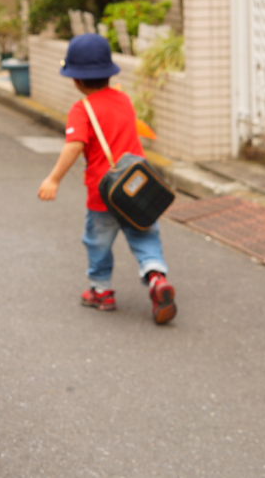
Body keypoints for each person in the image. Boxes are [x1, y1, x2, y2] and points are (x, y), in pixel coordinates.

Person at [37, 33, 177, 325]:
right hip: (137, 187)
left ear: (75, 80)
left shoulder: (81, 109)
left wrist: (53, 179)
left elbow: (74, 146)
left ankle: (102, 291)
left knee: (97, 242)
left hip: (104, 193)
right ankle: (156, 278)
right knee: (144, 234)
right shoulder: (124, 100)